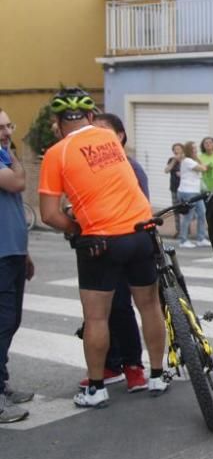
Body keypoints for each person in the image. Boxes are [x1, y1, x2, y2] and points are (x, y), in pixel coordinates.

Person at [38, 88, 168, 409]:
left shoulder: (57, 153)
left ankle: (96, 388)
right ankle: (156, 373)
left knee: (96, 317)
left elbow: (50, 215)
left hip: (101, 240)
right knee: (149, 306)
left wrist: (76, 228)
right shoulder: (110, 141)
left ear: (57, 122)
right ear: (92, 117)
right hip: (141, 232)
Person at [85, 113, 148, 393]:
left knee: (123, 308)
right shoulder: (93, 167)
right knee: (103, 312)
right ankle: (111, 365)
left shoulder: (129, 167)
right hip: (102, 247)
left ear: (119, 136)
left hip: (129, 245)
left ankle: (134, 366)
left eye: (103, 131)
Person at [0, 108, 34, 423]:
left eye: (9, 125)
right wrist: (11, 154)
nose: (7, 132)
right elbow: (17, 183)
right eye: (0, 127)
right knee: (2, 322)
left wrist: (24, 252)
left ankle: (2, 383)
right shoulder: (4, 158)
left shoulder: (3, 154)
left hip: (11, 252)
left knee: (10, 322)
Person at [177, 142, 210, 249]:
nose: (196, 150)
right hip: (187, 192)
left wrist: (197, 159)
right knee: (188, 216)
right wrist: (198, 159)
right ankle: (183, 240)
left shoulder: (192, 160)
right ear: (188, 150)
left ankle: (201, 238)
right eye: (193, 148)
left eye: (196, 148)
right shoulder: (187, 161)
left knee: (202, 213)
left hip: (195, 192)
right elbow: (203, 168)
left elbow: (203, 167)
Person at [165, 143, 184, 237]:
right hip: (175, 188)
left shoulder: (186, 160)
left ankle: (185, 229)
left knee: (186, 209)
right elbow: (166, 170)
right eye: (175, 149)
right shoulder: (171, 160)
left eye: (179, 149)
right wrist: (174, 161)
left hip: (185, 189)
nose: (177, 151)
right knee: (176, 210)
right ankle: (178, 230)